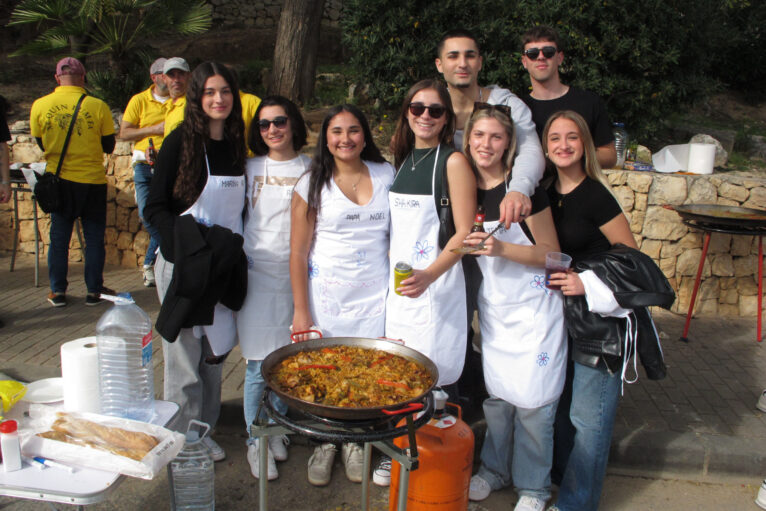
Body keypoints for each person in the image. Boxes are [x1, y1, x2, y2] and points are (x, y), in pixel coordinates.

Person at [544, 111, 671, 511]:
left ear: (584, 144)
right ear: (545, 147)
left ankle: (577, 504)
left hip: (601, 323)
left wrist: (587, 282)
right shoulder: (546, 193)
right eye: (555, 138)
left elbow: (631, 256)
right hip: (562, 318)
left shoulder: (596, 194)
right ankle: (564, 483)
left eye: (572, 138)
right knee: (562, 410)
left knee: (589, 419)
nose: (563, 145)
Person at [461, 104, 566, 511]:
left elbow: (554, 255)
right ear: (468, 139)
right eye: (479, 136)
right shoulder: (466, 187)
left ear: (509, 144)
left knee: (534, 406)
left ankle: (534, 488)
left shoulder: (525, 192)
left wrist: (502, 248)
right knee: (499, 401)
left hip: (535, 312)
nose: (485, 145)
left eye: (496, 137)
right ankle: (494, 470)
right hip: (497, 313)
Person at [145, 61, 247, 462]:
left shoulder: (237, 147)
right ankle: (182, 443)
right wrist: (180, 251)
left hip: (220, 266)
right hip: (186, 265)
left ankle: (203, 430)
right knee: (184, 361)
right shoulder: (179, 144)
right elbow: (154, 208)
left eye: (225, 92)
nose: (218, 100)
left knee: (214, 356)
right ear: (197, 98)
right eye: (209, 93)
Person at [290, 104, 394, 487]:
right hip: (327, 298)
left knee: (366, 372)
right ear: (326, 139)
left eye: (353, 130)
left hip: (376, 298)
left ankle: (353, 442)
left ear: (365, 136)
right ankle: (324, 442)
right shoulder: (311, 183)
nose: (345, 138)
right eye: (336, 131)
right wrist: (302, 312)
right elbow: (298, 252)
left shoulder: (386, 175)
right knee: (326, 371)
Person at [383, 79, 477, 482]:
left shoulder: (452, 162)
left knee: (437, 381)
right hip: (402, 288)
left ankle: (439, 461)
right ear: (407, 112)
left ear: (446, 119)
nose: (425, 116)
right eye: (417, 108)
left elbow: (464, 234)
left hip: (436, 288)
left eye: (435, 110)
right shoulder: (402, 159)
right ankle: (400, 449)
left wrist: (430, 275)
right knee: (401, 376)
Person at [238, 95, 310, 480]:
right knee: (256, 364)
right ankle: (256, 439)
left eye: (279, 121)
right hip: (256, 275)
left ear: (293, 123)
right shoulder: (248, 168)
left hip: (298, 276)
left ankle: (277, 427)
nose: (272, 130)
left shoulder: (313, 168)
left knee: (288, 357)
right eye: (264, 125)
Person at [30, 57, 116, 307]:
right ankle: (94, 290)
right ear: (84, 77)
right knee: (93, 238)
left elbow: (40, 141)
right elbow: (109, 145)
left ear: (57, 78)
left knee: (59, 239)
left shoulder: (40, 105)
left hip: (60, 181)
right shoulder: (98, 106)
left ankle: (57, 291)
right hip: (91, 181)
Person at [435, 28, 544, 224]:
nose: (462, 64)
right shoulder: (430, 108)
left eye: (470, 56)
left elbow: (530, 149)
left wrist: (518, 190)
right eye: (453, 56)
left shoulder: (507, 104)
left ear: (480, 62)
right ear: (439, 64)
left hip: (497, 209)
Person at [520, 25, 617, 169]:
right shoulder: (518, 109)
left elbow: (609, 155)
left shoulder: (589, 102)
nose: (541, 57)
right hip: (532, 190)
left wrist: (570, 155)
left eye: (548, 52)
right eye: (532, 53)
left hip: (581, 189)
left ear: (559, 58)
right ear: (524, 62)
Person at [119, 57, 169, 287]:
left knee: (165, 216)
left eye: (173, 73)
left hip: (169, 166)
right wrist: (155, 129)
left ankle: (150, 265)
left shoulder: (181, 101)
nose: (169, 77)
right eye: (164, 73)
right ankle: (168, 250)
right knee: (146, 215)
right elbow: (125, 133)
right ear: (154, 77)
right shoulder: (139, 100)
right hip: (143, 165)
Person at [161, 57, 191, 137]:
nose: (176, 80)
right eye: (171, 75)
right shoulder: (168, 105)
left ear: (189, 76)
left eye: (181, 74)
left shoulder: (191, 104)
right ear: (164, 78)